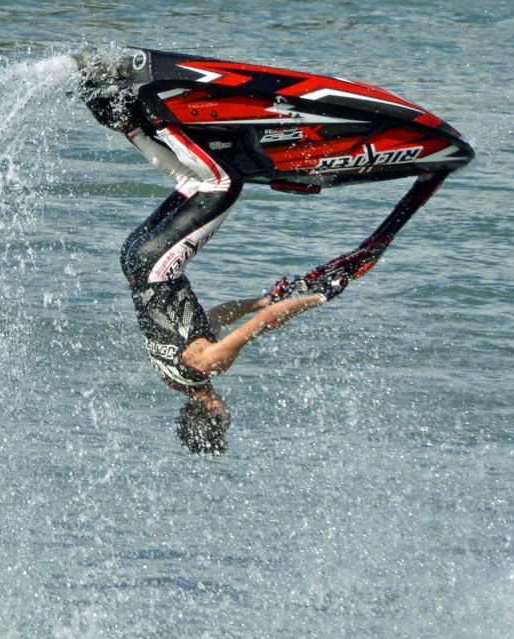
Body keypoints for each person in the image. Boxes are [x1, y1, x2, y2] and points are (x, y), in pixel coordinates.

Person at [75, 50, 349, 454]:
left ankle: (157, 113)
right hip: (135, 262)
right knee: (190, 180)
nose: (230, 417)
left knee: (224, 183)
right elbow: (211, 320)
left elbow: (266, 324)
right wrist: (262, 298)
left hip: (157, 268)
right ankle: (120, 116)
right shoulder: (175, 377)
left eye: (224, 423)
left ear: (216, 416)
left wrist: (318, 297)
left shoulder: (210, 366)